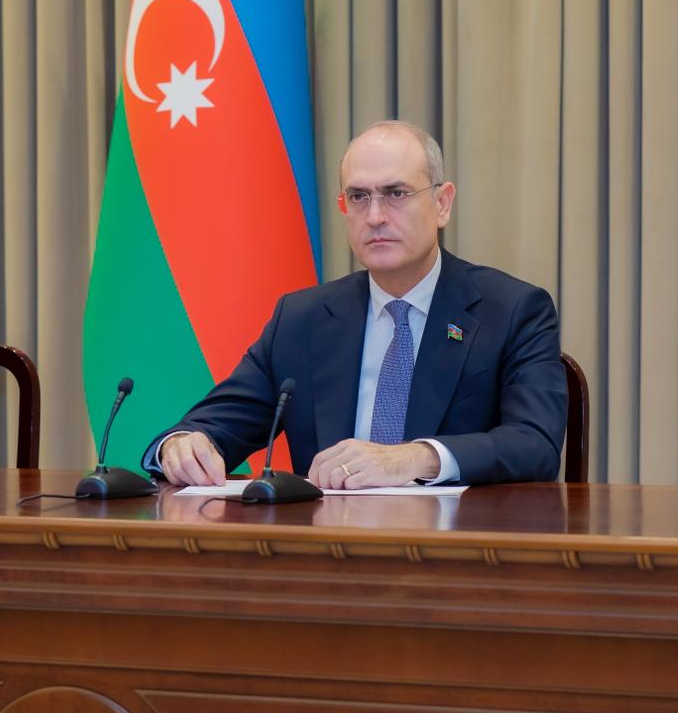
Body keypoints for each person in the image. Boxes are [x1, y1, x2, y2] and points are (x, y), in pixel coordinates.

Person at [146, 120, 567, 487]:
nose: (375, 216)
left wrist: (413, 458)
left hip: (454, 544)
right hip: (328, 543)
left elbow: (534, 444)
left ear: (442, 203)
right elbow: (214, 426)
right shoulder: (302, 319)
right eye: (359, 197)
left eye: (396, 193)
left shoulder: (511, 310)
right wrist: (183, 445)